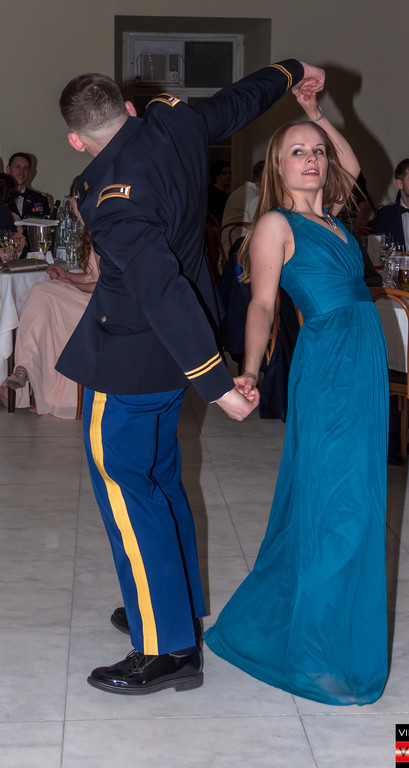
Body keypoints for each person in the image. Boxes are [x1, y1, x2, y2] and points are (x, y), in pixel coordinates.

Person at [56, 60, 326, 696]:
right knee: (160, 482)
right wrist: (289, 70)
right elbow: (237, 101)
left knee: (128, 493)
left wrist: (218, 385)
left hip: (130, 360)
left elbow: (160, 289)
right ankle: (173, 606)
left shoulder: (110, 198)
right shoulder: (171, 125)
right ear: (127, 108)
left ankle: (166, 648)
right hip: (167, 361)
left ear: (75, 140)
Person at [205, 89, 389, 705]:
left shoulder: (334, 216)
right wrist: (249, 369)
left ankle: (326, 629)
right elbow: (261, 304)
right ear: (277, 168)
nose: (311, 158)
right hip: (330, 362)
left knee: (356, 495)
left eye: (317, 152)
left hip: (363, 361)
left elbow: (352, 166)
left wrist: (314, 115)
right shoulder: (275, 225)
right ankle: (315, 650)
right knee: (338, 503)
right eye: (296, 153)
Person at [5, 182, 98, 417]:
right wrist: (68, 276)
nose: (73, 204)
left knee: (42, 293)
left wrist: (70, 284)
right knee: (44, 297)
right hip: (90, 297)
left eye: (74, 198)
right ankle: (27, 373)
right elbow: (91, 275)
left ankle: (25, 368)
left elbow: (103, 284)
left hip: (101, 304)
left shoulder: (103, 232)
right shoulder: (90, 229)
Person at [220, 160, 265, 255]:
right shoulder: (255, 198)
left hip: (227, 248)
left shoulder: (240, 191)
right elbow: (263, 231)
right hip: (239, 254)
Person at [5, 153, 51, 218]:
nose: (21, 172)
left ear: (29, 173)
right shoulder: (2, 196)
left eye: (26, 168)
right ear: (8, 169)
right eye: (17, 167)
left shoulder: (40, 199)